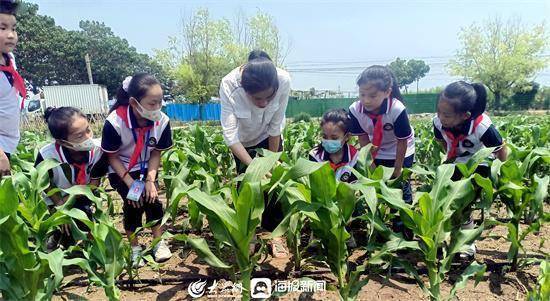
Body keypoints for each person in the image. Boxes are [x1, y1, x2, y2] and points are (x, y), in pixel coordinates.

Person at [220, 49, 291, 258]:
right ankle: (249, 233)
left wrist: (269, 161)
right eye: (257, 98)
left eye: (269, 97)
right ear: (245, 89)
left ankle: (275, 235)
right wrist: (254, 166)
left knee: (274, 186)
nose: (263, 103)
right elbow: (230, 135)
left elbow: (276, 125)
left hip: (270, 138)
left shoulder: (284, 80)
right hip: (242, 143)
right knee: (247, 187)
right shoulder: (229, 85)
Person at [101, 73, 173, 266]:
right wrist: (131, 184)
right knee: (134, 202)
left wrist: (150, 181)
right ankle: (135, 248)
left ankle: (159, 243)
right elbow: (112, 157)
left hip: (147, 166)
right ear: (134, 102)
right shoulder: (115, 122)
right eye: (152, 103)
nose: (157, 108)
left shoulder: (162, 121)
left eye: (160, 102)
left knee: (153, 199)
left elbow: (156, 153)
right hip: (122, 169)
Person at [433, 81, 507, 259]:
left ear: (465, 116)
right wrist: (451, 157)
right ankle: (442, 237)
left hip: (479, 165)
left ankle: (466, 245)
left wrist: (502, 175)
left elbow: (500, 150)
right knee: (442, 200)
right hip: (455, 163)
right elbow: (442, 141)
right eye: (439, 111)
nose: (441, 117)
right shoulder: (438, 123)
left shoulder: (482, 127)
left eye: (447, 115)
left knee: (463, 205)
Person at [36, 106, 108, 249]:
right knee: (62, 223)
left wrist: (72, 201)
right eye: (80, 136)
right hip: (56, 198)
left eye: (88, 130)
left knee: (85, 224)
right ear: (62, 142)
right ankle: (57, 232)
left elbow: (94, 184)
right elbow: (46, 184)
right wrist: (61, 206)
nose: (88, 137)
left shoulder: (99, 150)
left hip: (85, 194)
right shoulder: (47, 155)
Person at [348, 65, 415, 202]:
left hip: (400, 149)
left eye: (373, 96)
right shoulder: (355, 110)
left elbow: (402, 141)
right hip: (375, 149)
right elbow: (363, 138)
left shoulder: (397, 109)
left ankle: (403, 219)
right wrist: (370, 164)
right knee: (375, 186)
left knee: (400, 186)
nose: (366, 100)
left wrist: (398, 169)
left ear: (387, 92)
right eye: (362, 94)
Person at [0, 0, 25, 178]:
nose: (11, 35)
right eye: (2, 28)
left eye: (13, 28)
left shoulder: (9, 58)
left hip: (8, 144)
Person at [309, 108, 358, 183]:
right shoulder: (315, 156)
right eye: (324, 137)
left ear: (347, 136)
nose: (328, 141)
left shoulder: (355, 158)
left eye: (334, 138)